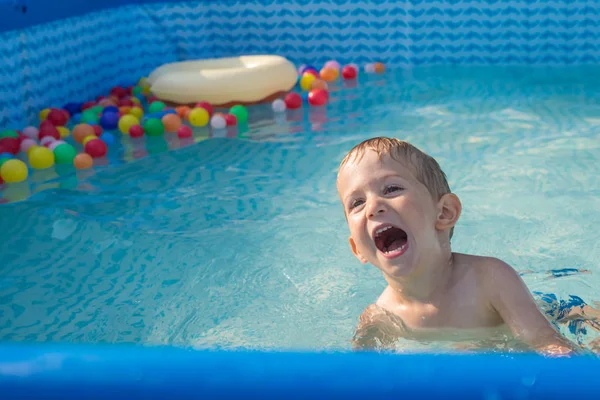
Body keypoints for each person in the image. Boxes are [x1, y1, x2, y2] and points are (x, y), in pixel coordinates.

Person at [336, 136, 582, 356]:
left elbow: (546, 344)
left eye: (391, 189)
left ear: (444, 213)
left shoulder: (490, 279)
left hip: (557, 314)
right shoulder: (379, 318)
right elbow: (359, 379)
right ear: (357, 249)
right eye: (357, 202)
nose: (373, 207)